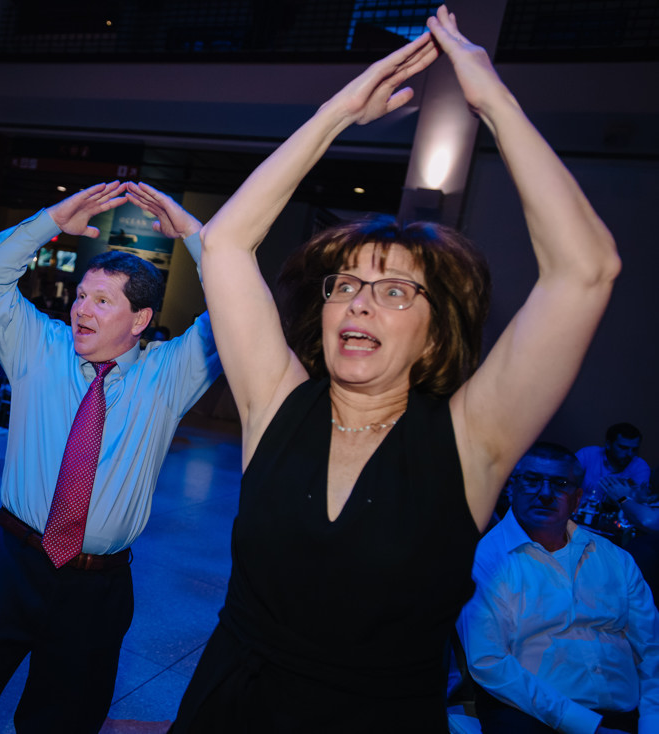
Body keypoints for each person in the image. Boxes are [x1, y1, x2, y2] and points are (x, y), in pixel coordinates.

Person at [171, 7, 620, 731]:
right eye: (345, 284)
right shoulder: (276, 401)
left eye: (393, 291)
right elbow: (223, 244)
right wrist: (336, 113)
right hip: (231, 703)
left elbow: (586, 271)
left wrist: (492, 102)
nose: (359, 303)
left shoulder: (472, 439)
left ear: (435, 332)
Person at [0, 182, 221, 734]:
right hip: (9, 562)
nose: (80, 310)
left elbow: (237, 309)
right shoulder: (37, 347)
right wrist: (50, 221)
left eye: (101, 301)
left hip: (97, 588)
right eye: (81, 295)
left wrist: (193, 233)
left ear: (139, 320)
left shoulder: (170, 374)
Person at [457, 443, 659, 734]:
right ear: (512, 487)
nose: (545, 493)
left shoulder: (614, 558)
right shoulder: (486, 561)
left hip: (627, 712)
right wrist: (590, 728)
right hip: (533, 714)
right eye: (533, 480)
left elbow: (651, 647)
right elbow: (490, 662)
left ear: (577, 498)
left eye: (560, 484)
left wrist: (652, 723)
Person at [576, 423, 651, 526]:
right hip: (578, 517)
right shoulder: (587, 455)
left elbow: (637, 506)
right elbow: (566, 484)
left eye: (634, 449)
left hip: (612, 525)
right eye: (623, 448)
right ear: (608, 444)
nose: (630, 454)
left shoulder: (640, 467)